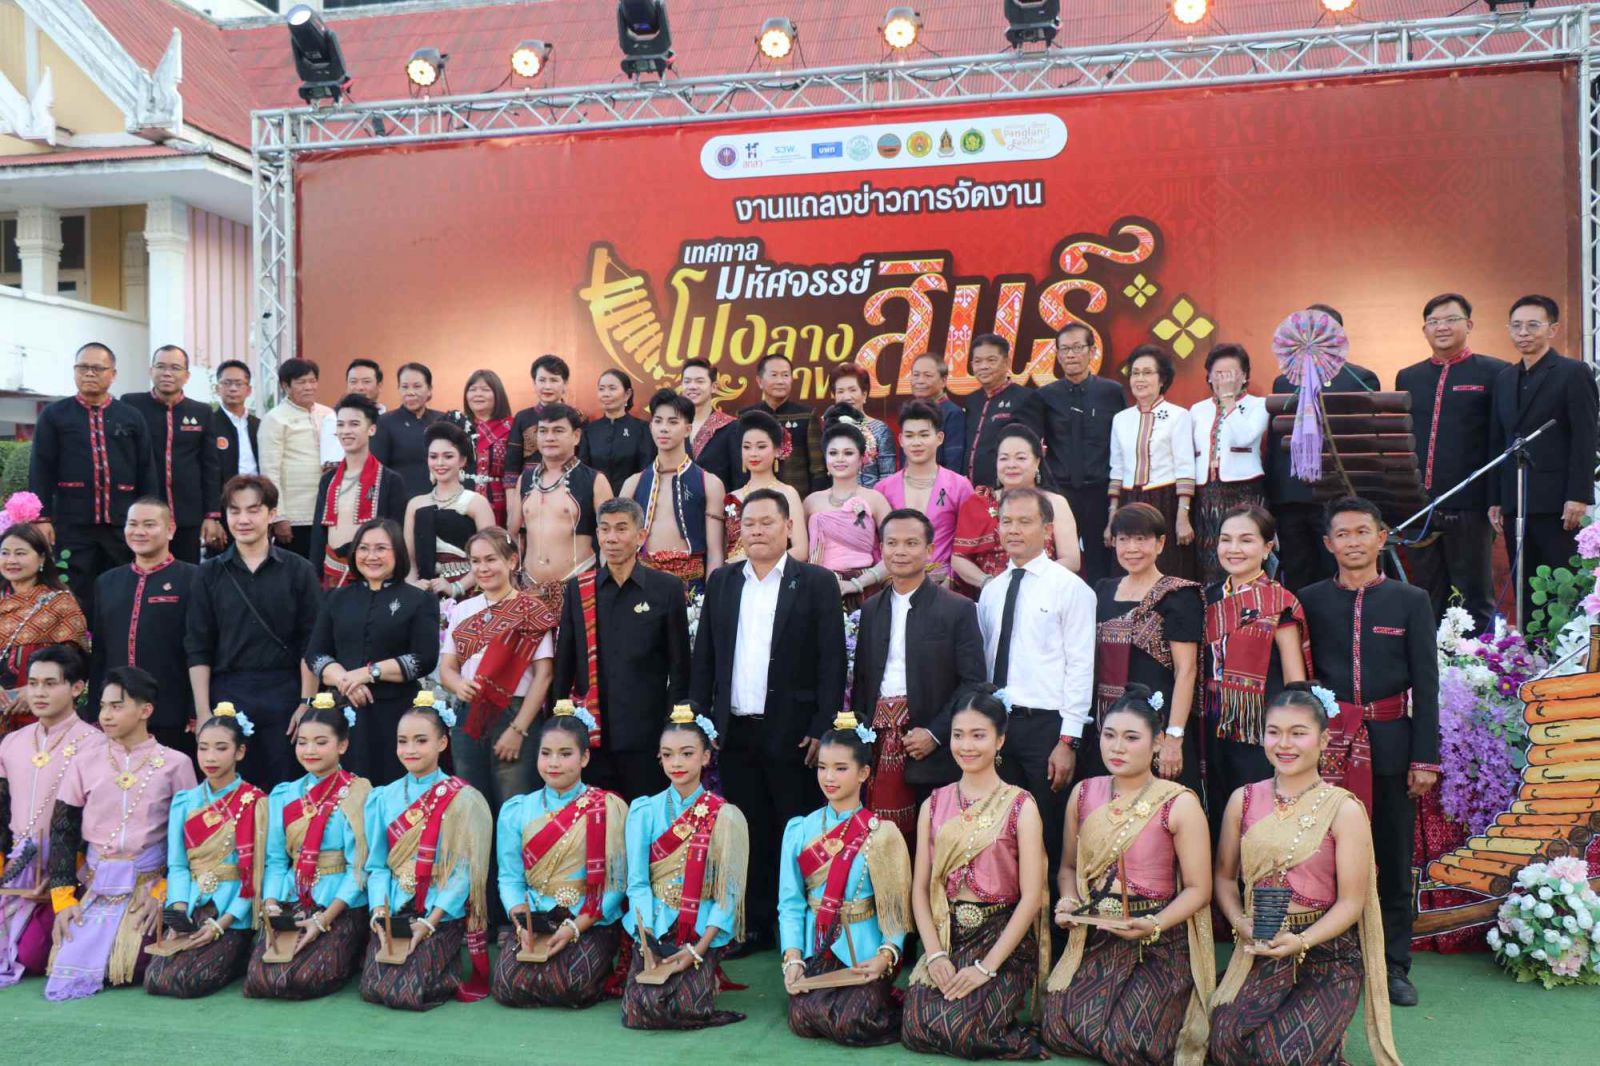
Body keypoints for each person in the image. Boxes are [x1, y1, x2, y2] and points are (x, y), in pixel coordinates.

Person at [1208, 685, 1402, 1066]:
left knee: (1281, 1055)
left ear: (1323, 740)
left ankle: (1324, 1037)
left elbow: (1351, 902)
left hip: (1326, 955)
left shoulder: (1343, 809)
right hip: (1262, 947)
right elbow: (1225, 879)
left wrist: (1301, 941)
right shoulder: (1243, 800)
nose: (1284, 744)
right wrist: (1240, 923)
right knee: (1223, 1042)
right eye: (1274, 732)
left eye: (1298, 733)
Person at [1299, 496, 1439, 1007]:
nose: (1353, 542)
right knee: (1321, 853)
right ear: (1328, 543)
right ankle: (1321, 956)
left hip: (1392, 744)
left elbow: (1427, 684)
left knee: (1392, 855)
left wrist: (1424, 758)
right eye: (1343, 533)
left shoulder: (1410, 600)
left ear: (1382, 538)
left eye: (1363, 532)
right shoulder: (1309, 600)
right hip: (1329, 749)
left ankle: (1393, 965)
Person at [691, 488, 844, 953]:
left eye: (766, 522)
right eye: (748, 524)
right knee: (748, 830)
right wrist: (701, 723)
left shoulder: (815, 582)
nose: (756, 531)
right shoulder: (723, 581)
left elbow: (832, 661)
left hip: (794, 733)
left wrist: (821, 727)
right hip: (735, 730)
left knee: (795, 829)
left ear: (788, 526)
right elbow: (705, 659)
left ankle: (801, 927)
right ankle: (755, 923)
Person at [1041, 684, 1215, 1066]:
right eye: (1109, 735)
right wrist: (1068, 901)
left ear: (1157, 743)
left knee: (1129, 1045)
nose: (1117, 748)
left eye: (1131, 738)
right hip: (1100, 933)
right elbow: (1067, 868)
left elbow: (1199, 889)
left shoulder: (1178, 802)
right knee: (1059, 1029)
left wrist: (1153, 923)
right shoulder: (1084, 793)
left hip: (1158, 940)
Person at [900, 690, 1048, 1059]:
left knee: (965, 1032)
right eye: (958, 735)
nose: (966, 746)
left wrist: (987, 967)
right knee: (916, 1027)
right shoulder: (934, 804)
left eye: (978, 735)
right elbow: (921, 889)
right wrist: (935, 955)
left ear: (1000, 740)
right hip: (948, 935)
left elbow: (1032, 898)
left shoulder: (1021, 805)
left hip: (1001, 937)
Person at [44, 665, 198, 1000]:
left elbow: (191, 839)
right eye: (103, 706)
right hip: (95, 884)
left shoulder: (176, 764)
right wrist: (64, 899)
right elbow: (63, 830)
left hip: (149, 884)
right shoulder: (84, 761)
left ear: (145, 711)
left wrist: (166, 890)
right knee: (62, 953)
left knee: (135, 963)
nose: (106, 715)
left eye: (117, 706)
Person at [978, 487, 1096, 872]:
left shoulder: (1070, 588)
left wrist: (1068, 740)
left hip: (1046, 727)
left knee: (1048, 829)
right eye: (1006, 521)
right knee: (1001, 830)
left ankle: (1056, 908)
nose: (1013, 530)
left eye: (1025, 521)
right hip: (999, 726)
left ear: (1047, 529)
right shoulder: (992, 591)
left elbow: (1081, 666)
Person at [849, 509, 988, 837]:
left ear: (929, 550)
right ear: (881, 549)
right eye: (891, 543)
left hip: (934, 745)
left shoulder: (957, 609)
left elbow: (973, 682)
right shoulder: (871, 608)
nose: (900, 551)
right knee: (880, 837)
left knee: (932, 835)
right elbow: (863, 682)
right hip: (878, 745)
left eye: (911, 543)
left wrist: (936, 733)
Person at [779, 710, 913, 1047]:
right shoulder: (800, 829)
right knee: (803, 1019)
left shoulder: (882, 834)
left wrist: (885, 956)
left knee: (852, 1022)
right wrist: (793, 958)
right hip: (815, 949)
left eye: (840, 768)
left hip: (864, 952)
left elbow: (895, 910)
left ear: (864, 773)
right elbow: (791, 903)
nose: (829, 777)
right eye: (822, 767)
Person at [186, 475, 323, 790]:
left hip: (285, 694)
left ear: (272, 513)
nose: (243, 519)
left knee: (285, 792)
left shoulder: (298, 570)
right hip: (228, 694)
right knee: (231, 793)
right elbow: (197, 645)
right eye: (234, 511)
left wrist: (306, 701)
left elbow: (311, 642)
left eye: (253, 510)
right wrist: (203, 711)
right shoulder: (208, 573)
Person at [491, 704, 629, 1009]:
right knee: (506, 985)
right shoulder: (517, 810)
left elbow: (617, 884)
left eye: (565, 754)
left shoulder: (607, 808)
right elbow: (510, 878)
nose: (554, 763)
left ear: (584, 757)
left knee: (571, 985)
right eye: (546, 753)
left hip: (588, 918)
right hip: (535, 917)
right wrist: (521, 921)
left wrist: (575, 927)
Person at [360, 695, 493, 1009]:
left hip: (438, 910)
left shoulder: (463, 799)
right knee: (373, 988)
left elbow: (464, 872)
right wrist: (379, 913)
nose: (410, 749)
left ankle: (444, 964)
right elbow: (377, 865)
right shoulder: (383, 797)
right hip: (394, 909)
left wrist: (430, 921)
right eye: (402, 741)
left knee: (410, 993)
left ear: (442, 743)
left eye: (421, 740)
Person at [553, 498, 691, 801]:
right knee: (596, 819)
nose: (611, 538)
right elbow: (564, 664)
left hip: (647, 735)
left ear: (641, 536)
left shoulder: (665, 588)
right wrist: (560, 725)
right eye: (604, 529)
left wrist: (672, 731)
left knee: (644, 817)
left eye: (621, 529)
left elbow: (680, 667)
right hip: (592, 734)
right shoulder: (579, 589)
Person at [620, 705, 748, 1029]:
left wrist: (700, 948)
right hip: (655, 923)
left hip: (700, 929)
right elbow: (637, 882)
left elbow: (728, 892)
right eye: (668, 755)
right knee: (638, 1011)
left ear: (705, 757)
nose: (676, 763)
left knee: (685, 1008)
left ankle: (707, 974)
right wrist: (646, 937)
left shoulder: (724, 815)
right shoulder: (644, 811)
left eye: (687, 754)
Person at [242, 695, 372, 1001]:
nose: (310, 750)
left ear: (342, 745)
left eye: (320, 742)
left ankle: (352, 949)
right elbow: (276, 861)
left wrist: (325, 918)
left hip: (340, 903)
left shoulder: (360, 792)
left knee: (303, 979)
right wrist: (271, 904)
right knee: (261, 979)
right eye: (302, 742)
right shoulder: (283, 795)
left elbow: (359, 868)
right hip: (292, 896)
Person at [1393, 295, 1505, 632]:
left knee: (1473, 594)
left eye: (1451, 319)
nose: (1441, 327)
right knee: (1425, 593)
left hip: (1470, 503)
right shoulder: (1408, 377)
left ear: (1469, 325)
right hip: (1419, 505)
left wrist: (1496, 497)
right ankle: (1429, 658)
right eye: (1433, 321)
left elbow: (1500, 439)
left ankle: (1477, 660)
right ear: (1424, 329)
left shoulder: (1496, 372)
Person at [1489, 294, 1600, 625]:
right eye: (1516, 326)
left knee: (1561, 588)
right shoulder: (1504, 378)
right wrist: (1496, 497)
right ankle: (1530, 648)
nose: (1523, 333)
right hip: (1516, 500)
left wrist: (1579, 495)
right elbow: (1498, 440)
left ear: (1552, 329)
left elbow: (1585, 438)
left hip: (1558, 503)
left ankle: (1565, 651)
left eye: (1532, 325)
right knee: (1524, 586)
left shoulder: (1573, 372)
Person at [27, 341, 159, 618]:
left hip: (122, 524)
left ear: (113, 374)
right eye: (83, 367)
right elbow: (41, 469)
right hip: (73, 523)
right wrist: (42, 518)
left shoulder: (130, 416)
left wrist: (150, 518)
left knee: (123, 592)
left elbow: (146, 470)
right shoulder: (54, 415)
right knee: (74, 593)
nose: (89, 373)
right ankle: (77, 644)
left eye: (97, 368)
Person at [144, 707, 267, 998]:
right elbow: (178, 865)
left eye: (221, 748)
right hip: (192, 903)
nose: (210, 757)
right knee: (157, 979)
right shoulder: (184, 801)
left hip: (231, 910)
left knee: (189, 981)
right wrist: (178, 912)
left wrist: (223, 923)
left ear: (240, 752)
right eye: (203, 748)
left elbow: (255, 873)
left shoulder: (255, 801)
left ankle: (240, 949)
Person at [0, 644, 104, 987]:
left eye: (50, 683)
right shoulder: (11, 743)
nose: (39, 693)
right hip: (15, 870)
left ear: (77, 688)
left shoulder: (95, 744)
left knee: (30, 955)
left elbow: (96, 822)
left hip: (69, 871)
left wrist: (66, 876)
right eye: (33, 684)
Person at [305, 518, 439, 782]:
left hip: (398, 714)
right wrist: (346, 680)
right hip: (345, 713)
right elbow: (316, 654)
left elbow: (424, 658)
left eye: (381, 548)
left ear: (397, 552)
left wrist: (368, 673)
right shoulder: (336, 598)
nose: (371, 556)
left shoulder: (419, 600)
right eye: (364, 548)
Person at [1203, 505, 1310, 834]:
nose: (1233, 549)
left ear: (1267, 548)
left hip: (1261, 726)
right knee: (1217, 813)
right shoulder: (1207, 597)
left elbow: (1294, 678)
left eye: (1246, 540)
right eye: (1226, 540)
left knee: (1257, 815)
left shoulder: (1279, 601)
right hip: (1211, 722)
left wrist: (1291, 734)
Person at [439, 528, 558, 814]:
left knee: (514, 809)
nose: (483, 568)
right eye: (475, 561)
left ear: (512, 561)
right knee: (472, 808)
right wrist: (458, 685)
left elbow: (544, 675)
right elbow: (447, 669)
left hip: (515, 713)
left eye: (490, 559)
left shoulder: (531, 610)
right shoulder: (463, 609)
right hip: (470, 715)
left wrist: (518, 729)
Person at [1266, 305, 1382, 593]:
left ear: (1336, 336)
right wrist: (1272, 494)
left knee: (1336, 571)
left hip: (1338, 494)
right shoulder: (1284, 380)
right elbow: (1275, 442)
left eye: (1318, 330)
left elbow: (1368, 440)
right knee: (1297, 571)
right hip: (1291, 496)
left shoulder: (1359, 378)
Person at [1091, 503, 1204, 794]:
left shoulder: (1179, 594)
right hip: (1108, 726)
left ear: (1160, 543)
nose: (1132, 548)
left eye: (1141, 539)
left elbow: (1186, 670)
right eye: (1124, 539)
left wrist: (1174, 736)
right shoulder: (1102, 590)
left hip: (1158, 725)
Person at [90, 498, 199, 757]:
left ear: (170, 530)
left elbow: (200, 647)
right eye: (133, 524)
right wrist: (95, 709)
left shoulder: (194, 578)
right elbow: (100, 652)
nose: (139, 532)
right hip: (116, 713)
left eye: (149, 525)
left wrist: (195, 709)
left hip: (172, 711)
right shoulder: (107, 582)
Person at [1020, 324, 1126, 584]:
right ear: (1057, 355)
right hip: (1061, 492)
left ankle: (1101, 608)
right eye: (1064, 349)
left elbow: (1124, 439)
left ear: (1092, 351)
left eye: (1078, 348)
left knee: (1102, 563)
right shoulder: (1045, 396)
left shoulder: (1112, 392)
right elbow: (1032, 443)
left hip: (1101, 492)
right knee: (1060, 560)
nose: (1071, 354)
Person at [952, 423, 1080, 596]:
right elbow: (958, 558)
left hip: (1043, 592)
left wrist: (1027, 582)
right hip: (991, 594)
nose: (1011, 465)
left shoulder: (1055, 503)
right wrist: (989, 583)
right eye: (1004, 458)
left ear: (1037, 462)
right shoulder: (980, 501)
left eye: (1020, 458)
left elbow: (1071, 560)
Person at [122, 345, 224, 562]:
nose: (167, 373)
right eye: (161, 366)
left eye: (175, 368)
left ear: (186, 375)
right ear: (151, 371)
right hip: (143, 510)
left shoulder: (201, 412)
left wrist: (211, 515)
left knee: (187, 573)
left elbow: (210, 467)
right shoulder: (131, 405)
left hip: (187, 512)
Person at [510, 404, 612, 617]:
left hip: (578, 586)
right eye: (543, 431)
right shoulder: (525, 479)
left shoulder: (595, 480)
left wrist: (609, 584)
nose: (549, 438)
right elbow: (513, 535)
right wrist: (512, 576)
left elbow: (610, 538)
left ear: (576, 436)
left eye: (558, 431)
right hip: (529, 589)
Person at [622, 389, 726, 597]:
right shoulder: (633, 483)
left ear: (688, 429)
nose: (664, 428)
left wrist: (710, 599)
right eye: (658, 421)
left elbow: (716, 551)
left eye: (672, 422)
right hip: (642, 583)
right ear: (651, 426)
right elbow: (621, 543)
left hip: (691, 588)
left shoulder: (709, 483)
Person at [1108, 345, 1198, 581]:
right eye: (1135, 373)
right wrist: (1111, 518)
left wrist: (1183, 516)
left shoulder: (1178, 415)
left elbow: (1185, 467)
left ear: (1162, 379)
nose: (1140, 379)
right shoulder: (1121, 419)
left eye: (1147, 373)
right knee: (1129, 567)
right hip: (1129, 500)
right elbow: (1117, 469)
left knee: (1166, 568)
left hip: (1165, 501)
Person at [309, 393, 409, 591]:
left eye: (354, 424)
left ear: (372, 429)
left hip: (374, 576)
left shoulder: (390, 481)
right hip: (332, 575)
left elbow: (396, 536)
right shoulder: (328, 480)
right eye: (340, 425)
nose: (346, 431)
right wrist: (314, 579)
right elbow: (319, 534)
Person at [1190, 343, 1269, 587]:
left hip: (1244, 489)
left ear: (1244, 376)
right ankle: (1214, 603)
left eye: (1230, 373)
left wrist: (1228, 401)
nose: (1223, 379)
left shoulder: (1259, 405)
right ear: (1209, 377)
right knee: (1210, 554)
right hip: (1206, 493)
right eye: (1218, 374)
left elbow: (1245, 437)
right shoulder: (1197, 410)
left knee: (1244, 551)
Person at [877, 400, 976, 585]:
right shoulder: (883, 489)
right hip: (896, 583)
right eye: (910, 436)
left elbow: (968, 542)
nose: (916, 443)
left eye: (924, 435)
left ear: (939, 438)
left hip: (944, 584)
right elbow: (877, 545)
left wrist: (950, 578)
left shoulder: (959, 486)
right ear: (901, 440)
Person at [0, 523, 87, 731]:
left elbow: (73, 663)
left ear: (41, 558)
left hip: (41, 712)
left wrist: (34, 690)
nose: (11, 560)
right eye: (5, 553)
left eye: (20, 553)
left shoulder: (61, 603)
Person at [803, 412, 890, 611]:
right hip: (818, 588)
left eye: (848, 453)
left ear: (862, 458)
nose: (840, 459)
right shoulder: (811, 502)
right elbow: (801, 553)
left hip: (865, 589)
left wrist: (857, 584)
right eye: (833, 453)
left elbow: (893, 553)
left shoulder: (875, 500)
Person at [403, 421, 494, 602]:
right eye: (433, 456)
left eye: (448, 456)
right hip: (425, 596)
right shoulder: (415, 505)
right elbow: (409, 560)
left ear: (462, 461)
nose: (440, 463)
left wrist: (456, 587)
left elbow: (491, 557)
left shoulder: (476, 503)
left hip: (469, 596)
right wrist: (413, 587)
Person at [259, 357, 333, 559]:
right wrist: (279, 516)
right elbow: (269, 471)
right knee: (296, 569)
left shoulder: (329, 415)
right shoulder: (274, 419)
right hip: (294, 516)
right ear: (285, 386)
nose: (309, 387)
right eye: (301, 382)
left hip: (327, 510)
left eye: (313, 381)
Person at [722, 409, 808, 565]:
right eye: (747, 447)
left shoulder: (788, 493)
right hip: (735, 576)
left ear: (777, 450)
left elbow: (801, 550)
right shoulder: (731, 497)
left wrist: (759, 566)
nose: (753, 453)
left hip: (776, 575)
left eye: (761, 447)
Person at [740, 354, 824, 495]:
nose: (780, 381)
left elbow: (818, 469)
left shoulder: (807, 415)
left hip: (797, 497)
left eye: (785, 375)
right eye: (774, 375)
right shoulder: (745, 417)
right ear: (759, 381)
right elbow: (739, 465)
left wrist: (813, 501)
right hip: (754, 496)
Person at [447, 368, 515, 527]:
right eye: (472, 390)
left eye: (485, 389)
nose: (478, 394)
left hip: (499, 503)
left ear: (497, 394)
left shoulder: (511, 427)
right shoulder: (456, 426)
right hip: (460, 501)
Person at [962, 333, 1030, 489]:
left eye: (991, 360)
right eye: (978, 361)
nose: (983, 366)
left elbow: (1029, 449)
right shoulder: (971, 400)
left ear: (1006, 363)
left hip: (1006, 490)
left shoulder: (1025, 398)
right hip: (969, 491)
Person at [372, 362, 444, 500]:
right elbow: (378, 468)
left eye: (417, 386)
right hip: (400, 499)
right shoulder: (385, 422)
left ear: (429, 389)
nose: (410, 392)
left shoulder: (442, 420)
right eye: (405, 387)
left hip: (440, 498)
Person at [580, 368, 655, 494]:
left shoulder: (642, 429)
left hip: (632, 499)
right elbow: (584, 471)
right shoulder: (590, 430)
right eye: (601, 389)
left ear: (627, 394)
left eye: (612, 388)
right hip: (596, 500)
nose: (606, 394)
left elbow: (646, 472)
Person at [506, 353, 573, 485]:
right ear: (534, 383)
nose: (547, 386)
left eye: (554, 380)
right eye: (542, 380)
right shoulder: (522, 417)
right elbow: (512, 464)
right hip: (528, 485)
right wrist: (512, 495)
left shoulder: (577, 418)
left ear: (565, 384)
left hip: (567, 485)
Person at [830, 364, 896, 487]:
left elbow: (888, 477)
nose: (846, 397)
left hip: (872, 497)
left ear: (864, 394)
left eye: (852, 390)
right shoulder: (830, 429)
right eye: (840, 391)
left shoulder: (880, 430)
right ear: (834, 396)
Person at [680, 359, 739, 491]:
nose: (692, 386)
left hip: (719, 501)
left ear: (714, 387)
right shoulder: (674, 426)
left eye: (699, 381)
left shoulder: (731, 427)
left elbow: (738, 477)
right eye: (687, 381)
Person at [902, 353, 967, 472]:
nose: (920, 381)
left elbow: (953, 461)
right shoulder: (910, 411)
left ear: (943, 380)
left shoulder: (953, 413)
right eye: (916, 375)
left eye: (928, 375)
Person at [317, 358, 386, 467]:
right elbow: (332, 465)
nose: (359, 387)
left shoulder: (387, 418)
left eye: (366, 382)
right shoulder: (334, 419)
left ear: (379, 385)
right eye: (353, 382)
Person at [210, 359, 259, 490]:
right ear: (217, 389)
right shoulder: (209, 424)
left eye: (239, 384)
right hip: (223, 496)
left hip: (258, 494)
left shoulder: (259, 425)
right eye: (227, 383)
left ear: (249, 390)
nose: (233, 388)